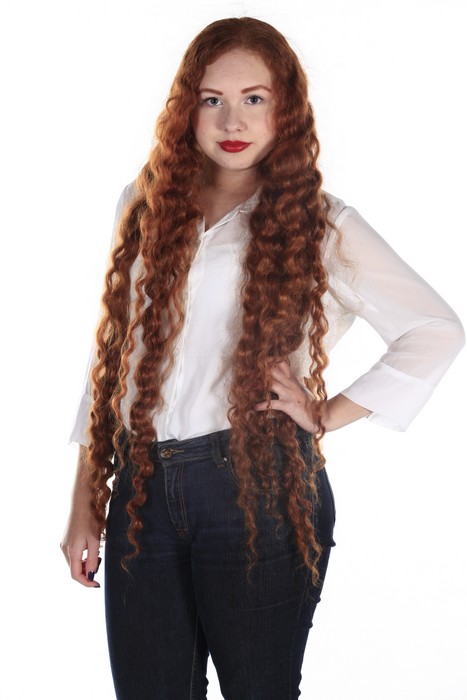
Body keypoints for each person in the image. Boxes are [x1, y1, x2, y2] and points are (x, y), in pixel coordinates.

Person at [60, 16, 464, 700]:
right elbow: (115, 361)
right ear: (186, 107)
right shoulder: (144, 205)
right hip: (142, 490)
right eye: (212, 99)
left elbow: (434, 328)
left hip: (258, 489)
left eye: (254, 98)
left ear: (286, 109)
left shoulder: (322, 223)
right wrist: (85, 497)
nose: (232, 121)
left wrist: (327, 413)